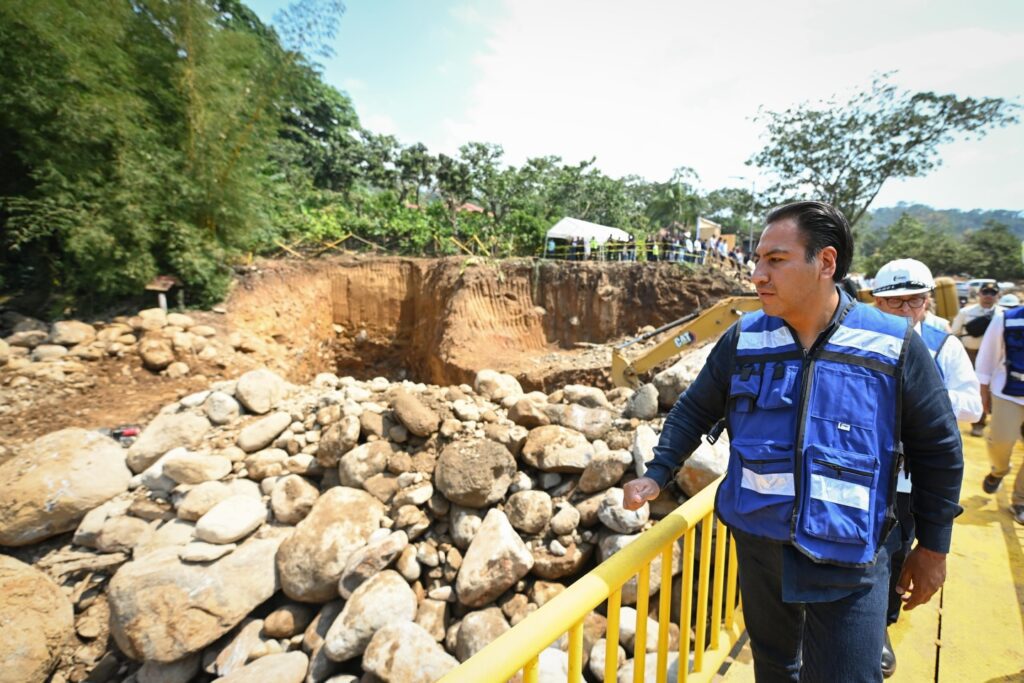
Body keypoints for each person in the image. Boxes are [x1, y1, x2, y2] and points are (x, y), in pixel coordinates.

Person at [623, 201, 963, 682]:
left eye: (775, 260)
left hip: (852, 559)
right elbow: (695, 409)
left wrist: (933, 548)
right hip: (761, 552)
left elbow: (939, 451)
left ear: (825, 263)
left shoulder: (893, 345)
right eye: (758, 259)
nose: (758, 274)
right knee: (777, 671)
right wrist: (657, 473)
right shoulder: (744, 340)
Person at [871, 258, 981, 678]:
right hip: (864, 468)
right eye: (894, 303)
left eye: (913, 302)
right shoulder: (856, 338)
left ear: (927, 302)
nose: (904, 312)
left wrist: (924, 401)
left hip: (910, 477)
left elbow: (971, 406)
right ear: (876, 302)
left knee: (898, 553)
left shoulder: (942, 345)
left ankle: (880, 628)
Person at [973, 298, 1024, 526]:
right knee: (1001, 440)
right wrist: (982, 389)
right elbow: (987, 357)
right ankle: (999, 470)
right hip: (1008, 390)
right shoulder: (1006, 318)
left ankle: (1021, 499)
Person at [952, 282, 1002, 435]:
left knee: (994, 389)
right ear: (979, 294)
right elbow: (955, 333)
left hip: (995, 357)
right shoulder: (966, 312)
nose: (988, 296)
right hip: (971, 354)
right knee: (973, 387)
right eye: (985, 292)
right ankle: (977, 422)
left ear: (997, 296)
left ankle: (993, 422)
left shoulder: (1002, 315)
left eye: (992, 293)